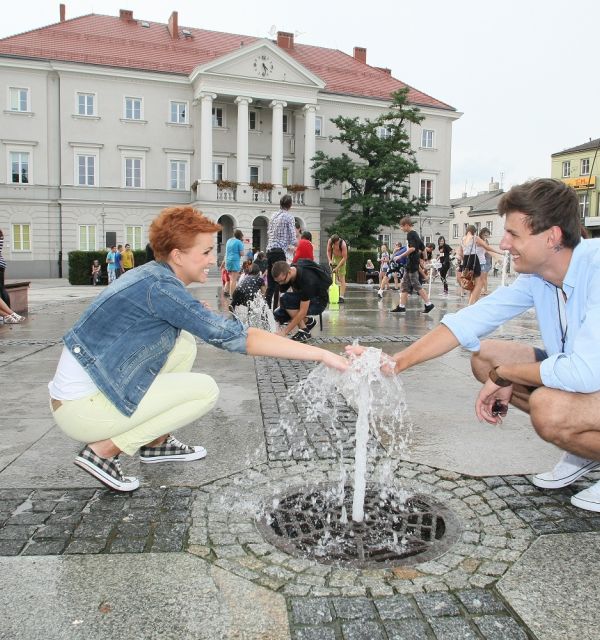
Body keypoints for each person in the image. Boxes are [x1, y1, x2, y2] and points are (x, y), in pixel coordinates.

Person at [48, 206, 347, 493]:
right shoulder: (163, 289)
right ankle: (104, 451)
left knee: (184, 344)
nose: (211, 259)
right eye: (204, 252)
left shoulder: (153, 276)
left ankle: (155, 443)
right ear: (177, 255)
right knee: (205, 390)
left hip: (79, 396)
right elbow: (238, 337)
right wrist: (321, 354)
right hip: (82, 410)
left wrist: (188, 313)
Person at [350, 179, 600, 512]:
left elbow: (585, 373)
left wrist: (505, 376)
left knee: (548, 409)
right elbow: (472, 319)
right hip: (587, 377)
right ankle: (585, 450)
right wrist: (398, 362)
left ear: (552, 237)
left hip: (590, 375)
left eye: (513, 234)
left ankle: (577, 431)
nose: (503, 242)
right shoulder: (538, 275)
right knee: (485, 359)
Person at [272, 259, 330, 342]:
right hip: (303, 299)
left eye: (282, 281)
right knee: (279, 314)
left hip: (318, 301)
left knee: (285, 298)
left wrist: (284, 332)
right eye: (278, 282)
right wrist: (278, 316)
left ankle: (305, 331)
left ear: (289, 272)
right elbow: (281, 298)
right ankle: (309, 322)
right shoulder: (285, 276)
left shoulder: (306, 279)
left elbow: (303, 311)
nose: (280, 283)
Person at [390, 217, 434, 314]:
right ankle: (401, 306)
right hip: (410, 263)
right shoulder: (416, 234)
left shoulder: (410, 234)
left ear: (406, 225)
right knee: (404, 285)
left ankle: (428, 304)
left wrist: (399, 256)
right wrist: (425, 260)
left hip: (412, 263)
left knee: (416, 284)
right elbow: (423, 248)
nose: (401, 228)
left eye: (401, 226)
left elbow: (412, 249)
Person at [265, 195, 296, 310]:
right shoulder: (289, 217)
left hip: (270, 250)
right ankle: (276, 310)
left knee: (271, 283)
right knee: (281, 280)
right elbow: (293, 239)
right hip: (279, 252)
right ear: (290, 205)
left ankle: (266, 310)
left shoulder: (273, 215)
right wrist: (301, 244)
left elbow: (270, 233)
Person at [478, 228, 504, 297]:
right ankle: (483, 289)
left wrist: (497, 258)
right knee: (481, 277)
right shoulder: (479, 240)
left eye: (487, 235)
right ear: (482, 233)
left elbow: (488, 250)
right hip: (482, 260)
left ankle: (484, 290)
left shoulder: (485, 241)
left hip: (486, 260)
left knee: (483, 277)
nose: (486, 236)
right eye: (485, 235)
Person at [326, 234, 348, 302]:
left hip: (341, 259)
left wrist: (337, 267)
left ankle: (341, 297)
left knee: (341, 278)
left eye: (336, 243)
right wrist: (330, 260)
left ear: (338, 240)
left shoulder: (343, 244)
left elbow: (345, 257)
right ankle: (333, 295)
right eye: (334, 243)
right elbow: (328, 251)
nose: (335, 245)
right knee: (333, 278)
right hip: (334, 258)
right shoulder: (330, 241)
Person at [225, 229, 245, 295]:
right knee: (233, 280)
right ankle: (232, 295)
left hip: (228, 261)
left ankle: (230, 293)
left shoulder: (229, 240)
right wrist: (242, 243)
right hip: (235, 261)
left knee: (231, 279)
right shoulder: (239, 242)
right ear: (240, 235)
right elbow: (242, 253)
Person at [0, 228, 10, 308]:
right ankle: (9, 311)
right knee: (2, 288)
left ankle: (5, 314)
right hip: (2, 264)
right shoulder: (1, 236)